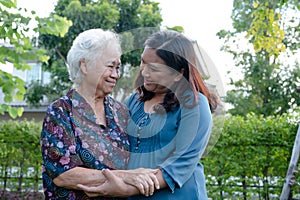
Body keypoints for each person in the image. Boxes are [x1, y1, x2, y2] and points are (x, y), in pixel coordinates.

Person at [78, 30, 219, 199]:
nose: (144, 72)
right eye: (143, 63)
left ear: (178, 74)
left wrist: (127, 189)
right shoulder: (134, 101)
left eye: (154, 68)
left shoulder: (193, 104)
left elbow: (181, 163)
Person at [40, 28, 159, 200]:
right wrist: (125, 176)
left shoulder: (121, 112)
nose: (116, 75)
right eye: (110, 66)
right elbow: (63, 175)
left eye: (118, 68)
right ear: (84, 65)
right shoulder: (60, 111)